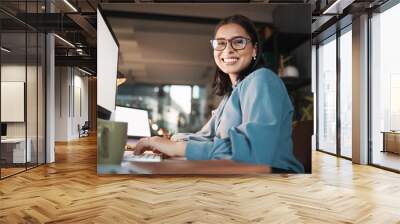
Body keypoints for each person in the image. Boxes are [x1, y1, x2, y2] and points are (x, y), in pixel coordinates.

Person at [131, 14, 304, 173]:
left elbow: (254, 153)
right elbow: (206, 137)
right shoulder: (231, 95)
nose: (228, 50)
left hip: (275, 181)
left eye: (238, 42)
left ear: (254, 50)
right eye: (221, 43)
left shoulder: (262, 79)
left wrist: (175, 148)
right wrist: (167, 141)